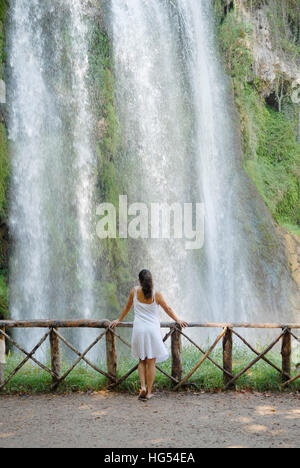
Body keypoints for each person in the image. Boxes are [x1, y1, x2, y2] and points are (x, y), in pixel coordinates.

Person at [110, 269, 188, 400]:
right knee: (151, 361)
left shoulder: (134, 291)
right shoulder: (156, 294)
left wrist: (119, 320)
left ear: (140, 281)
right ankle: (149, 391)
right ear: (151, 280)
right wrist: (178, 320)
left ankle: (143, 387)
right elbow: (167, 308)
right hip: (152, 330)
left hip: (139, 330)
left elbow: (127, 307)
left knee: (142, 360)